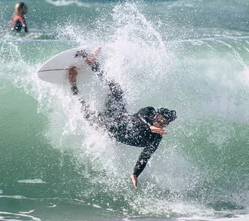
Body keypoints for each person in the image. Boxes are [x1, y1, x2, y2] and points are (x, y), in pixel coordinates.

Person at [68, 47, 177, 188]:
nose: (162, 124)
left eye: (165, 123)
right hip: (119, 116)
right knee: (117, 89)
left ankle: (72, 83)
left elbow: (144, 157)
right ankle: (93, 63)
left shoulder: (155, 138)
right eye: (161, 120)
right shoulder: (148, 111)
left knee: (85, 111)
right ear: (157, 115)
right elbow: (139, 116)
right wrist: (150, 126)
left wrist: (135, 174)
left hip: (109, 128)